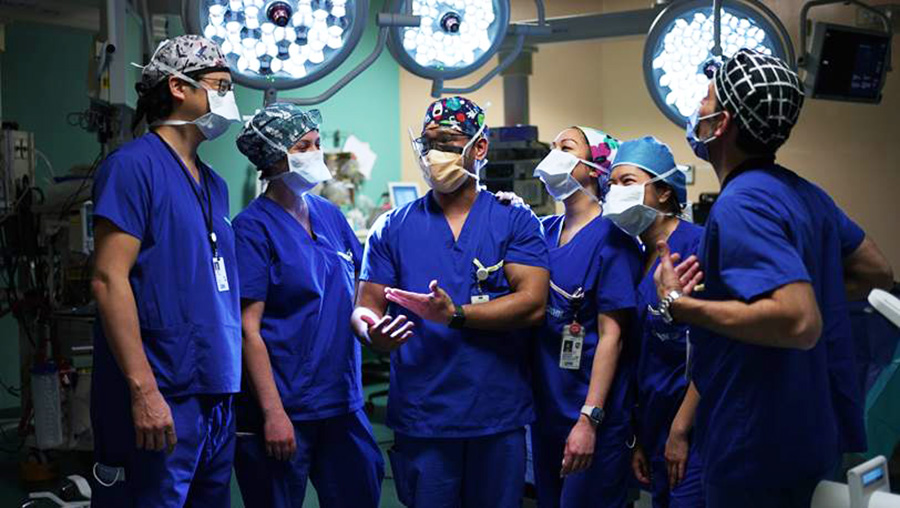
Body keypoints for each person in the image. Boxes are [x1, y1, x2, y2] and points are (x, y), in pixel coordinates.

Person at [652, 48, 893, 508]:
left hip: (756, 442)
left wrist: (679, 304)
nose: (697, 108)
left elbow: (798, 323)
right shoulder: (803, 192)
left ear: (721, 124)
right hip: (811, 432)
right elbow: (876, 271)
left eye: (705, 99)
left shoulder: (742, 203)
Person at [351, 96, 550, 508]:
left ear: (479, 148)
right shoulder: (393, 227)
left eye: (448, 142)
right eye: (428, 143)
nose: (435, 154)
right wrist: (372, 333)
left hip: (495, 414)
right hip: (425, 417)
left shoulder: (514, 219)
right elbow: (364, 306)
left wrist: (456, 314)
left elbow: (533, 303)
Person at [89, 35, 242, 506]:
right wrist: (143, 390)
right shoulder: (132, 167)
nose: (228, 98)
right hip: (164, 390)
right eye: (220, 85)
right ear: (179, 87)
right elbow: (108, 279)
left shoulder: (213, 184)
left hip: (214, 390)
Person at [230, 104, 385, 507]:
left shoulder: (330, 216)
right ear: (274, 156)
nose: (316, 153)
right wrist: (273, 413)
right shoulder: (253, 228)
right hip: (287, 406)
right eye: (304, 145)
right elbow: (249, 329)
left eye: (317, 143)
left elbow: (361, 290)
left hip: (342, 402)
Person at [530, 127, 643, 508]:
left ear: (595, 166)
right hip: (546, 406)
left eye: (566, 147)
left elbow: (613, 337)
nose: (554, 154)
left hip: (591, 414)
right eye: (552, 147)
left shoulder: (614, 240)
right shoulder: (542, 232)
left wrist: (588, 420)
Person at [605, 137, 704, 508]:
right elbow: (640, 356)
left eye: (627, 182)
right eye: (611, 184)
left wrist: (679, 430)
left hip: (696, 429)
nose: (615, 192)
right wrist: (640, 439)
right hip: (654, 428)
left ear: (664, 192)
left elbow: (717, 350)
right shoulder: (634, 258)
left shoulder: (697, 246)